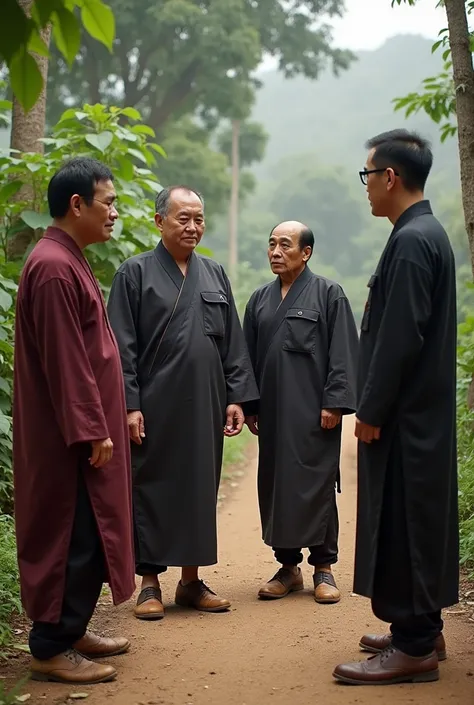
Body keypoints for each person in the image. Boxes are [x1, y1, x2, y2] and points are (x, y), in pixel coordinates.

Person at [333, 130, 459, 685]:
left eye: (368, 176)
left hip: (406, 418)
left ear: (390, 178)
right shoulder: (422, 232)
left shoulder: (412, 240)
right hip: (421, 414)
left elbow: (400, 337)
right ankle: (423, 626)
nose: (365, 188)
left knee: (406, 521)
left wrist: (372, 409)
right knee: (417, 518)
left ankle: (412, 647)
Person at [107, 185, 259, 620]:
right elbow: (121, 347)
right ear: (159, 222)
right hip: (154, 405)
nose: (193, 227)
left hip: (205, 403)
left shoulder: (214, 273)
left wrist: (236, 397)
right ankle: (150, 583)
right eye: (182, 218)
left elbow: (233, 342)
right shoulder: (134, 273)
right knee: (151, 484)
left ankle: (191, 582)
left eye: (198, 218)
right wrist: (130, 404)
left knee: (197, 486)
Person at [13, 158, 135, 685]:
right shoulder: (53, 265)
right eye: (108, 202)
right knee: (74, 533)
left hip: (83, 429)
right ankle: (49, 646)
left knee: (90, 529)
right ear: (77, 205)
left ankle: (73, 627)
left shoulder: (69, 257)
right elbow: (66, 359)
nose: (114, 212)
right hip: (69, 437)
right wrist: (91, 428)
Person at [243, 221, 358, 604]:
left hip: (314, 412)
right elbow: (247, 359)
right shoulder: (259, 300)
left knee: (318, 483)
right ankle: (288, 567)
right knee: (277, 484)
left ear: (305, 253)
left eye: (285, 245)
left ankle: (323, 567)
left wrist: (335, 403)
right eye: (271, 244)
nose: (275, 251)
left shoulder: (329, 295)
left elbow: (343, 354)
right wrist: (250, 405)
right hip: (274, 415)